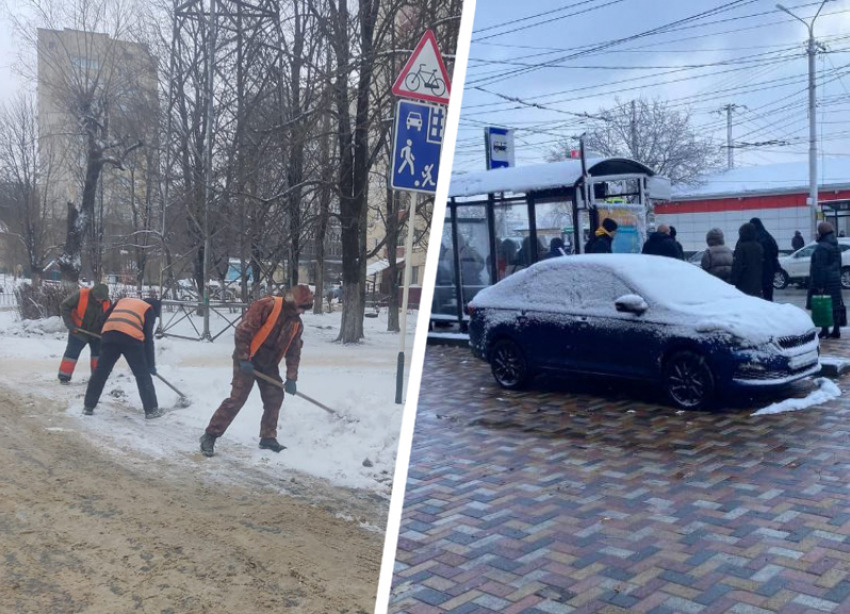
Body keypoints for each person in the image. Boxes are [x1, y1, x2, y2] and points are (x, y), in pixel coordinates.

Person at [200, 285, 313, 457]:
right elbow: (242, 331)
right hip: (247, 359)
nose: (302, 312)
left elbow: (294, 352)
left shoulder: (296, 323)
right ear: (292, 301)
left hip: (268, 364)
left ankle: (268, 437)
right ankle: (210, 435)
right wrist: (244, 358)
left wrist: (291, 378)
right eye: (302, 307)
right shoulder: (267, 305)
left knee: (275, 396)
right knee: (237, 399)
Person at [83, 297, 163, 418]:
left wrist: (108, 335)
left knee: (100, 372)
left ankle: (88, 406)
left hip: (109, 335)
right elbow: (148, 340)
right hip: (131, 340)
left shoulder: (123, 301)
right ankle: (151, 410)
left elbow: (102, 319)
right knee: (142, 375)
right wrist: (150, 365)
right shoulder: (148, 309)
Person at [58, 283, 111, 384]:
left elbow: (110, 318)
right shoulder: (81, 295)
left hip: (97, 333)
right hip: (78, 331)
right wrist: (70, 325)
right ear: (93, 294)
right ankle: (64, 377)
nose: (100, 301)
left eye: (102, 299)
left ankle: (97, 377)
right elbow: (65, 306)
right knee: (71, 354)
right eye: (98, 298)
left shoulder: (107, 302)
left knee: (98, 356)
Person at [807, 222, 844, 339]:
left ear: (821, 233)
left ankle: (825, 330)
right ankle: (836, 329)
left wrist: (819, 284)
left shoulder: (822, 247)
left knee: (823, 304)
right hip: (835, 279)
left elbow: (819, 268)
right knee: (835, 304)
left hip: (826, 281)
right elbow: (839, 264)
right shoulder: (836, 245)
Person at [749, 217, 780, 301]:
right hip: (770, 269)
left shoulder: (755, 238)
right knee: (768, 293)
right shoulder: (768, 236)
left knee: (759, 296)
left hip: (759, 270)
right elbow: (775, 251)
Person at [731, 222, 764, 298]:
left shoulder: (741, 247)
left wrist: (733, 281)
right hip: (757, 283)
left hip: (743, 283)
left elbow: (737, 266)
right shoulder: (759, 246)